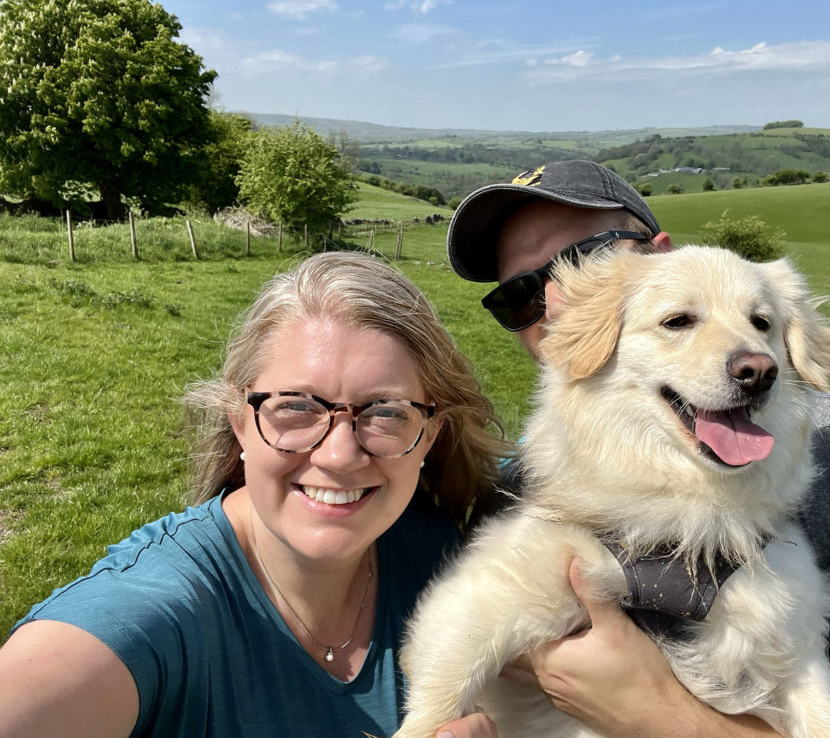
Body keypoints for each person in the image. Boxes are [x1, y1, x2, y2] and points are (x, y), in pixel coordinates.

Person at [447, 160, 830, 738]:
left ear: (660, 252)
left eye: (590, 261)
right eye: (522, 294)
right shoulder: (511, 490)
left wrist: (662, 714)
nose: (566, 303)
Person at [0, 251, 506, 738]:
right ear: (239, 421)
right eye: (296, 407)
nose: (339, 455)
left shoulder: (441, 561)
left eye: (387, 411)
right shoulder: (157, 612)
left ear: (430, 436)